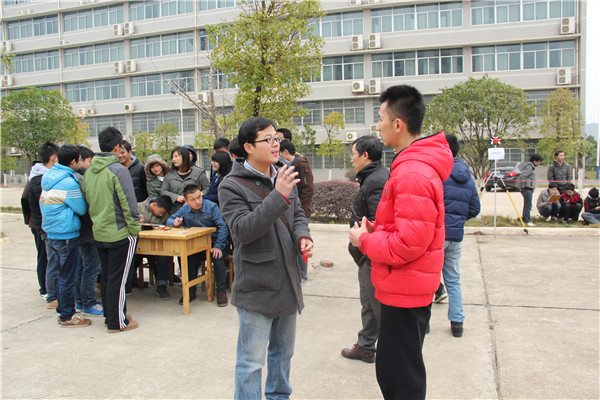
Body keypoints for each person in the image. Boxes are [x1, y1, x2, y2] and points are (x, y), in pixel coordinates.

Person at [348, 85, 453, 400]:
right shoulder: (409, 165)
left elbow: (408, 243)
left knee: (399, 378)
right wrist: (377, 228)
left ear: (398, 124)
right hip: (405, 286)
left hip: (405, 290)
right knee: (397, 371)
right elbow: (409, 228)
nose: (377, 126)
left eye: (381, 118)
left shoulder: (412, 173)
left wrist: (365, 240)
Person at [218, 117, 313, 400]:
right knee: (251, 362)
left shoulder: (284, 172)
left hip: (287, 279)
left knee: (283, 353)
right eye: (268, 139)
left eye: (277, 139)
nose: (275, 145)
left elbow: (297, 214)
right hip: (256, 284)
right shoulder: (231, 185)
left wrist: (302, 236)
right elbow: (242, 231)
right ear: (248, 146)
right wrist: (278, 196)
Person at [81, 127, 141, 333]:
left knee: (107, 277)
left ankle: (111, 316)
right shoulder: (118, 170)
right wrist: (134, 228)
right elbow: (128, 203)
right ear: (117, 146)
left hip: (99, 232)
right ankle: (118, 322)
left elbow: (87, 201)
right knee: (119, 279)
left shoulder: (89, 172)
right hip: (120, 233)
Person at [342, 135, 388, 364]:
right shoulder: (373, 177)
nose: (351, 159)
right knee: (369, 303)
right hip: (365, 252)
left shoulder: (377, 181)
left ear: (365, 155)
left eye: (353, 154)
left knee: (378, 306)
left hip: (371, 254)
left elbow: (378, 221)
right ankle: (366, 345)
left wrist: (367, 253)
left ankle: (390, 353)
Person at [40, 144, 90, 327]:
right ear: (73, 161)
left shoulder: (48, 177)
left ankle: (62, 310)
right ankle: (68, 315)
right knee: (67, 277)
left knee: (60, 274)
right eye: (79, 159)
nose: (80, 163)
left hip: (51, 233)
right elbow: (81, 209)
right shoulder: (69, 182)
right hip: (66, 234)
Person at [439, 133, 480, 338]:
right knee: (453, 280)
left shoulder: (438, 173)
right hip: (456, 236)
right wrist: (458, 221)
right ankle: (457, 324)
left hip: (436, 236)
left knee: (430, 278)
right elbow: (475, 208)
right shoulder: (467, 176)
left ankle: (424, 324)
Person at [167, 184, 230, 307]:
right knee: (188, 257)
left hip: (215, 242)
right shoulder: (185, 209)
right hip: (197, 245)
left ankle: (221, 291)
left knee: (217, 257)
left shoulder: (212, 206)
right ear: (186, 201)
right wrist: (174, 222)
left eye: (199, 197)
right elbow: (170, 219)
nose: (197, 201)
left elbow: (222, 227)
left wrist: (218, 246)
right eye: (193, 200)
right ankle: (191, 290)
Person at [28, 142, 59, 307]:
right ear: (53, 157)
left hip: (40, 224)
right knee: (46, 259)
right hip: (43, 226)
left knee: (48, 259)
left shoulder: (37, 175)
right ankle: (46, 291)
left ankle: (49, 290)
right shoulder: (41, 179)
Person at [278, 139, 314, 282]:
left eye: (279, 152)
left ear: (285, 152)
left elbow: (307, 190)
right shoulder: (288, 165)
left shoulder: (301, 164)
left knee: (302, 244)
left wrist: (301, 212)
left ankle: (302, 275)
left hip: (301, 211)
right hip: (291, 210)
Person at [73, 146, 103, 317]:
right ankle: (89, 303)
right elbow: (86, 207)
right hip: (87, 231)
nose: (91, 165)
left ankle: (81, 300)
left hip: (79, 230)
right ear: (81, 161)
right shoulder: (81, 179)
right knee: (91, 267)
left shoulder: (74, 177)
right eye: (90, 161)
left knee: (81, 266)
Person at [136, 195, 174, 299]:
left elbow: (167, 226)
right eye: (161, 212)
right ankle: (131, 281)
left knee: (162, 256)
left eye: (163, 213)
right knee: (131, 257)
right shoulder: (138, 207)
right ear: (154, 205)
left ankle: (161, 285)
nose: (161, 215)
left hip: (156, 244)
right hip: (139, 243)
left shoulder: (165, 216)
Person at [161, 146, 210, 215]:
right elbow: (163, 191)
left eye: (176, 156)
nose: (173, 159)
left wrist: (200, 195)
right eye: (172, 157)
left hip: (196, 211)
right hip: (176, 211)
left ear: (185, 157)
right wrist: (176, 197)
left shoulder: (199, 172)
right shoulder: (169, 175)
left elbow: (207, 187)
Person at [519, 154, 543, 227]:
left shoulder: (531, 167)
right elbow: (523, 176)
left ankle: (525, 219)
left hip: (529, 188)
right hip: (527, 188)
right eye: (539, 161)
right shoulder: (529, 167)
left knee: (528, 204)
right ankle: (527, 220)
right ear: (535, 161)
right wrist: (523, 186)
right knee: (528, 205)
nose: (539, 163)